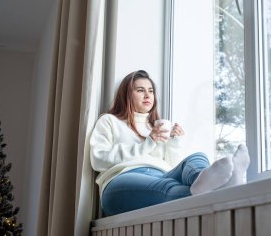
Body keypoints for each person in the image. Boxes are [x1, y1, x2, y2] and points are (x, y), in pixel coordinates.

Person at [90, 70, 250, 216]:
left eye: (151, 91)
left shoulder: (155, 127)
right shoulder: (109, 121)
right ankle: (226, 187)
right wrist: (148, 142)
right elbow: (99, 159)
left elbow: (171, 165)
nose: (147, 95)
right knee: (169, 188)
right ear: (126, 94)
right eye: (140, 90)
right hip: (122, 180)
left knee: (197, 157)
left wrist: (174, 141)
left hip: (162, 175)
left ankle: (203, 179)